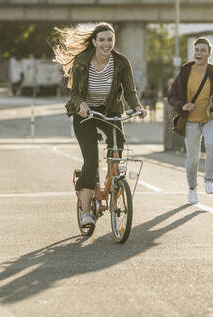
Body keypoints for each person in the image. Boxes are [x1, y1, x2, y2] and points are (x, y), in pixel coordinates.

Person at [53, 22, 147, 227]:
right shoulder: (82, 61)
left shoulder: (121, 62)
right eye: (102, 40)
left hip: (109, 110)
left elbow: (130, 91)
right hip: (85, 112)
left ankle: (113, 184)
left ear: (114, 41)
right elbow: (75, 94)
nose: (106, 44)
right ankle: (86, 212)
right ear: (94, 42)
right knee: (91, 160)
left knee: (118, 146)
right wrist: (82, 105)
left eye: (110, 39)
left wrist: (138, 108)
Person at [168, 37, 213, 204]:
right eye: (197, 50)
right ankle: (192, 189)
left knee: (211, 145)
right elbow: (172, 97)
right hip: (191, 121)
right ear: (194, 53)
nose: (199, 53)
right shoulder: (185, 72)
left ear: (209, 54)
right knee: (193, 158)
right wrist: (183, 105)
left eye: (203, 50)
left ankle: (209, 181)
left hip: (209, 118)